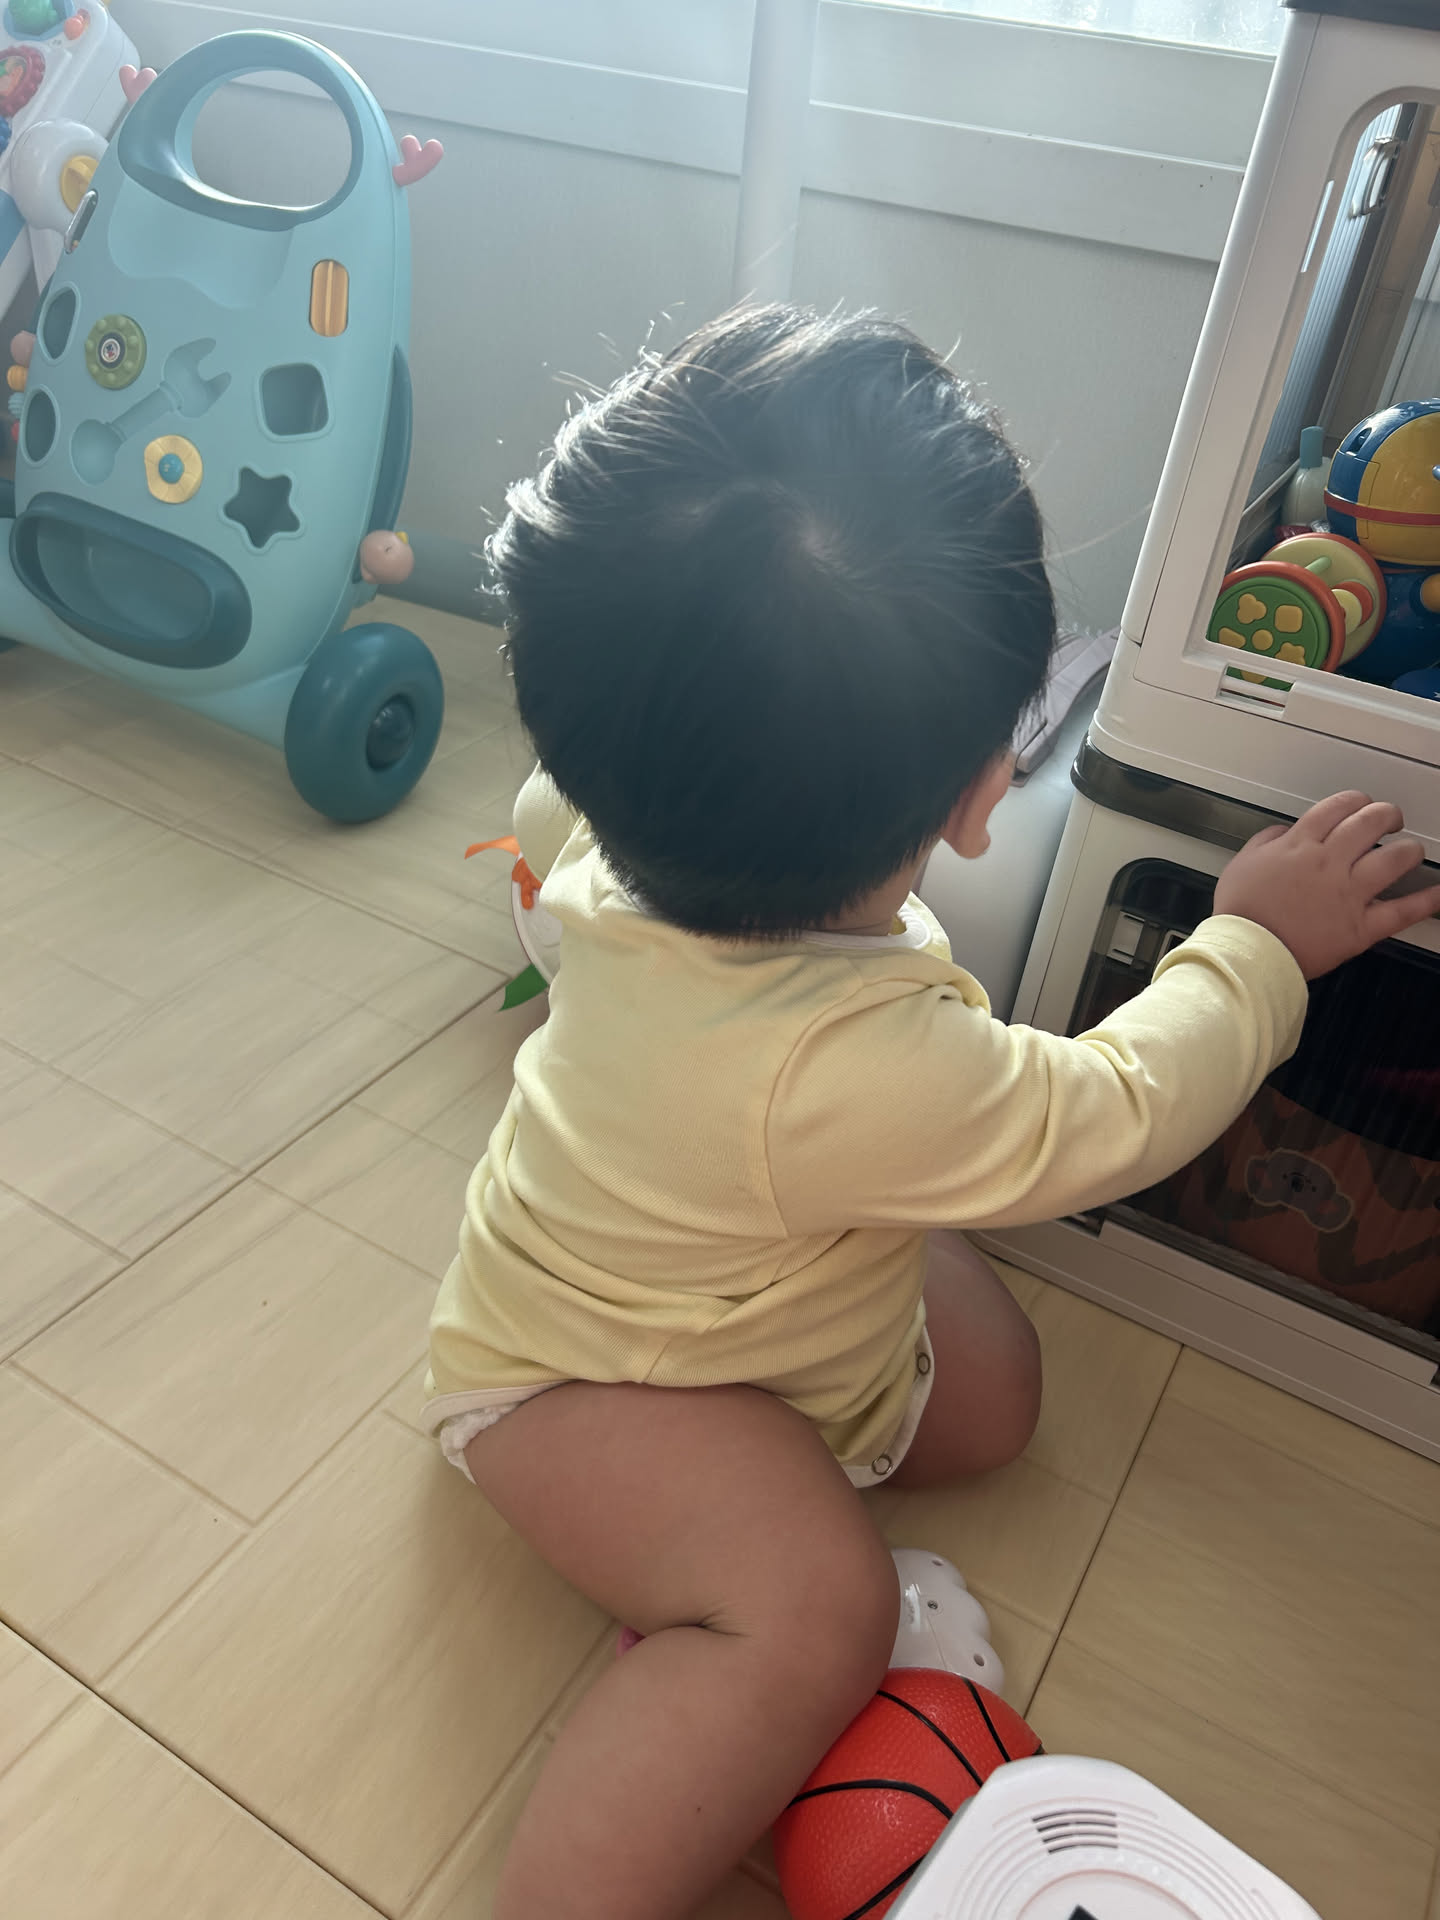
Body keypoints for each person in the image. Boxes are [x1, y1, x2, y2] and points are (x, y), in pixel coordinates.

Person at [422, 305, 1440, 1920]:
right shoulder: (849, 1064)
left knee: (994, 1401)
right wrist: (1253, 944)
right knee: (816, 1608)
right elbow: (1116, 1105)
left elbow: (553, 827)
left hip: (704, 1266)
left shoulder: (605, 817)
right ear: (985, 791)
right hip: (571, 1385)